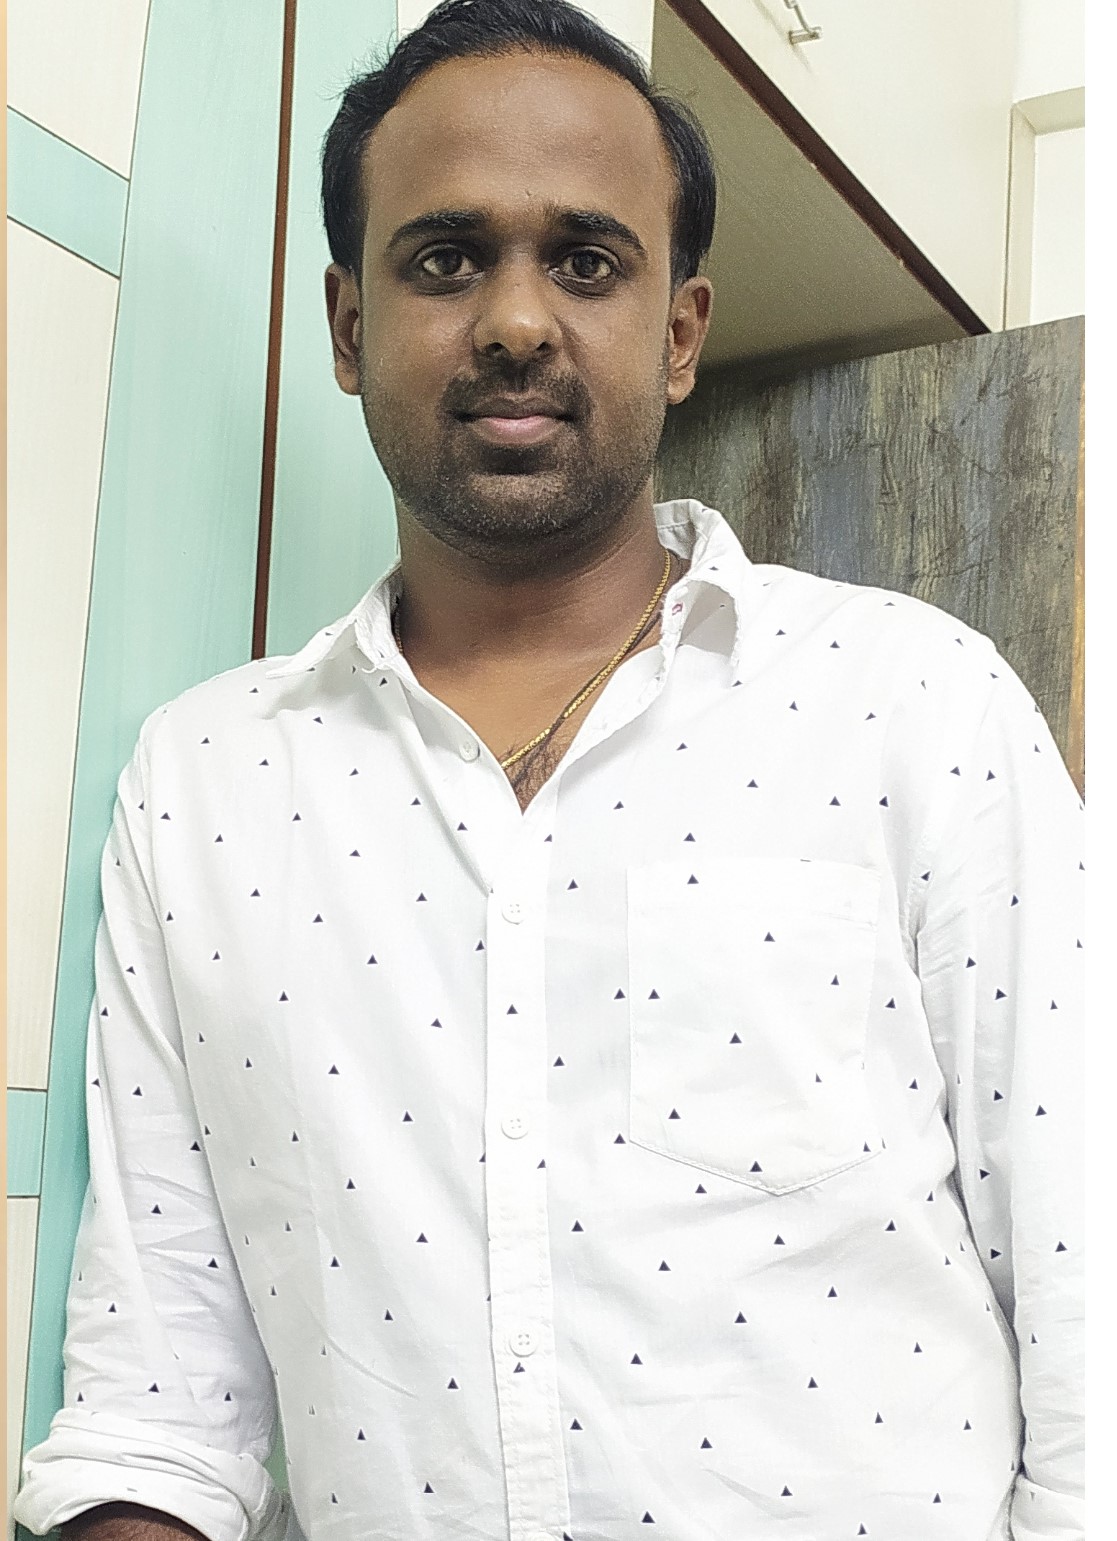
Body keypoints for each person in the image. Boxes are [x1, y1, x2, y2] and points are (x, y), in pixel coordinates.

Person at [14, 1, 1083, 1537]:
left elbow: (1088, 1298)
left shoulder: (916, 704)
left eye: (585, 262)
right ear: (346, 327)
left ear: (680, 330)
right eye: (446, 259)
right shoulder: (205, 790)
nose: (516, 320)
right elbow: (157, 1412)